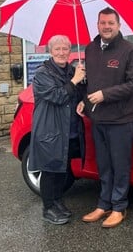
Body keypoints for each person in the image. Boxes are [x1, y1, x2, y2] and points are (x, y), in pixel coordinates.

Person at [77, 7, 133, 228]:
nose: (106, 27)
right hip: (99, 121)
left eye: (110, 23)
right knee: (103, 166)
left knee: (120, 166)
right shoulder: (90, 49)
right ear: (97, 25)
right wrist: (83, 101)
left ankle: (118, 207)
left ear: (118, 25)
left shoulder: (130, 51)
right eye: (102, 23)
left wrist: (105, 95)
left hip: (121, 121)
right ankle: (103, 204)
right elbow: (90, 85)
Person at [28, 35, 86, 225]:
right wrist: (75, 81)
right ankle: (48, 208)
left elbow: (76, 96)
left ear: (70, 51)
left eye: (65, 49)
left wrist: (82, 83)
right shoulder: (43, 73)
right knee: (50, 170)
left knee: (63, 169)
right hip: (50, 130)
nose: (62, 53)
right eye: (57, 49)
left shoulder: (71, 70)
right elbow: (57, 96)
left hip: (68, 129)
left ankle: (58, 201)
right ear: (50, 51)